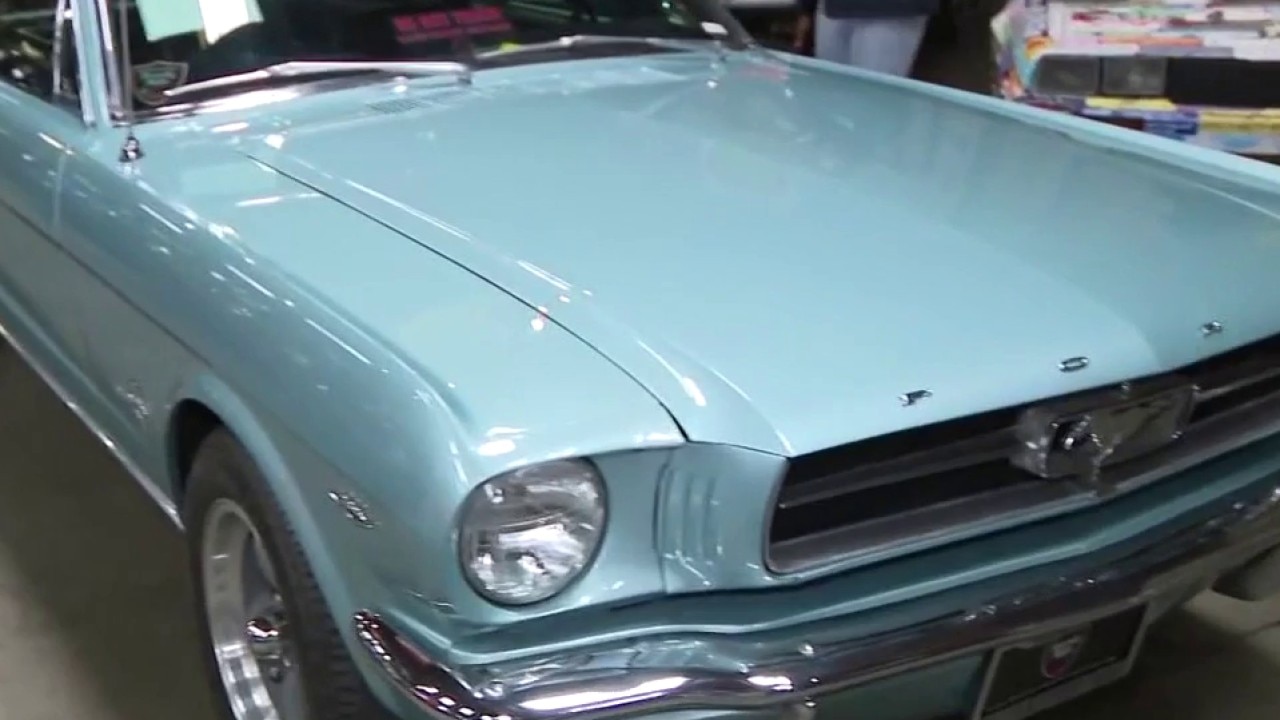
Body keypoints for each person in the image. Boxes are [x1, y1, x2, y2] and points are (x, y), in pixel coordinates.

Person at [793, 0, 939, 77]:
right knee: (828, 101)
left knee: (873, 102)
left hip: (891, 10)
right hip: (833, 9)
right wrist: (806, 7)